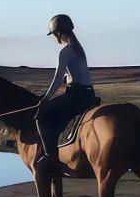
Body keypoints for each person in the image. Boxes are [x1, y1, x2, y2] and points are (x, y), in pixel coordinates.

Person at [35, 14, 99, 166]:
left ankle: (50, 156)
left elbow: (57, 79)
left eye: (53, 34)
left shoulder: (65, 52)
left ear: (57, 33)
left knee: (41, 116)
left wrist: (45, 99)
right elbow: (75, 74)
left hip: (76, 96)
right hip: (90, 95)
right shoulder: (79, 49)